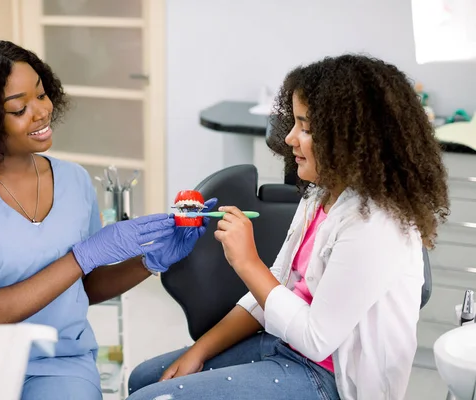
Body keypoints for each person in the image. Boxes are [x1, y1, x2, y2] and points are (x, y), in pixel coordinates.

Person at [127, 54, 450, 400]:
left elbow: (315, 339)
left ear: (351, 138)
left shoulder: (376, 225)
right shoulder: (321, 195)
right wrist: (200, 351)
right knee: (144, 379)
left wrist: (247, 262)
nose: (291, 138)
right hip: (284, 344)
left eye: (306, 127)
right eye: (294, 123)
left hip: (332, 380)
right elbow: (272, 291)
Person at [0, 39, 216, 400]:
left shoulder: (73, 180)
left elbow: (82, 288)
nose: (41, 112)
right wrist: (80, 257)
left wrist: (149, 262)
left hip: (60, 362)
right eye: (19, 108)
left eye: (41, 95)